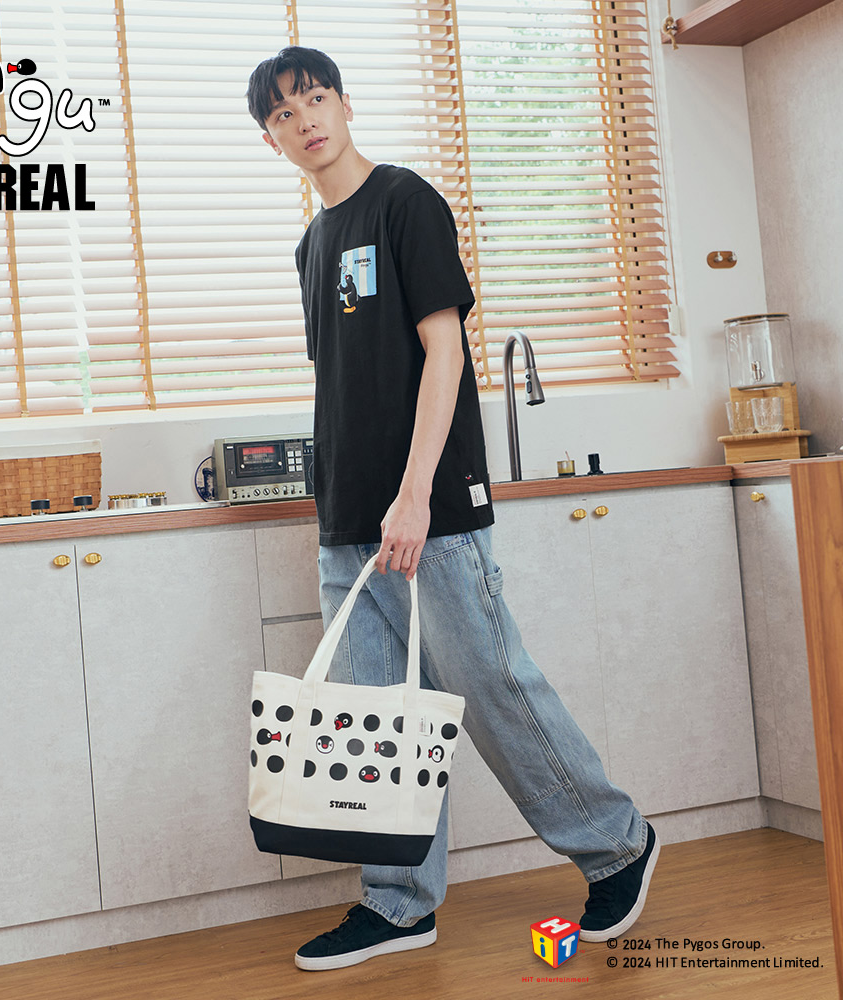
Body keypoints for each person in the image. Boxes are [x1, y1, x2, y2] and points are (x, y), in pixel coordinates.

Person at [246, 45, 659, 973]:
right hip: (350, 520)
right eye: (282, 114)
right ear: (271, 140)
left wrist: (413, 496)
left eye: (315, 98)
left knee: (495, 692)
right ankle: (398, 904)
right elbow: (346, 383)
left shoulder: (406, 203)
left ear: (344, 104)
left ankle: (616, 844)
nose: (305, 120)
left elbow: (444, 353)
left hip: (426, 509)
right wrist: (342, 506)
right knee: (376, 726)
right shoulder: (311, 246)